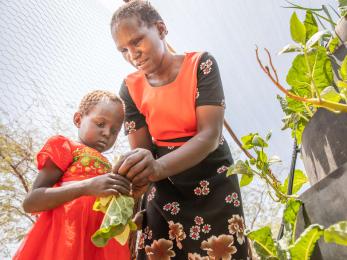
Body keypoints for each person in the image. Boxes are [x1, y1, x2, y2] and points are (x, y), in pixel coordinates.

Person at [111, 1, 250, 259]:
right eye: (124, 50)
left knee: (224, 250)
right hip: (164, 187)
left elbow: (209, 136)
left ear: (161, 29)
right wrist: (135, 170)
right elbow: (142, 150)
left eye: (137, 41)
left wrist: (156, 167)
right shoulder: (129, 89)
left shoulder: (201, 65)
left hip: (213, 178)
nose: (133, 54)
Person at [13, 90, 131, 260]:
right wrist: (86, 187)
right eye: (100, 124)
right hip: (64, 238)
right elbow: (31, 202)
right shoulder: (65, 147)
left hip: (98, 247)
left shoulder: (110, 167)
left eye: (114, 131)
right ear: (78, 119)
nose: (107, 133)